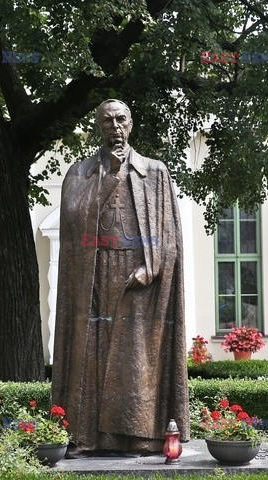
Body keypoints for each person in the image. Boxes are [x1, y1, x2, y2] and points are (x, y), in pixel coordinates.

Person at [52, 99, 189, 454]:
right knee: (92, 353)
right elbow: (71, 221)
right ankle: (87, 437)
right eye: (108, 121)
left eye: (121, 119)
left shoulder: (155, 172)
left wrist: (153, 265)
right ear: (99, 126)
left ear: (131, 123)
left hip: (139, 276)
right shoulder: (80, 173)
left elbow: (170, 235)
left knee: (136, 359)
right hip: (95, 272)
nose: (115, 127)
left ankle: (139, 436)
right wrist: (110, 176)